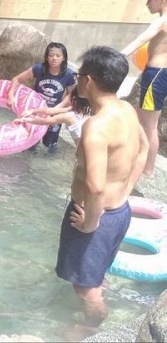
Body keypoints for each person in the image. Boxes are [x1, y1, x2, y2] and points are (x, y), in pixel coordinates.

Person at [55, 46, 148, 335]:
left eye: (78, 75)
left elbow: (95, 187)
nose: (77, 80)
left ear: (89, 80)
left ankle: (90, 328)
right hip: (119, 212)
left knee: (85, 289)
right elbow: (144, 148)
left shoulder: (96, 127)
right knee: (95, 275)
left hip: (95, 217)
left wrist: (90, 223)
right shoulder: (126, 110)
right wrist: (126, 189)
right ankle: (97, 295)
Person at [119, 0, 167, 177]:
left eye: (150, 0)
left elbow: (141, 40)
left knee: (149, 126)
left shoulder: (162, 20)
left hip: (156, 74)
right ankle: (137, 159)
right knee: (141, 118)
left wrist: (119, 55)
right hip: (157, 73)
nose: (147, 4)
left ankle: (148, 170)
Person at [7, 42, 76, 150]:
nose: (54, 58)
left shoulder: (68, 75)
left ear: (64, 58)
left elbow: (71, 95)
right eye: (51, 55)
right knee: (29, 144)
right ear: (46, 57)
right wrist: (10, 95)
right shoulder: (39, 69)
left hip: (54, 112)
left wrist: (57, 109)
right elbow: (16, 79)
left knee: (50, 146)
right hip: (35, 110)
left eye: (58, 55)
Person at [15, 94, 91, 145]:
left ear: (74, 100)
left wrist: (25, 120)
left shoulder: (69, 116)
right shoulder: (92, 112)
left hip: (85, 155)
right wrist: (33, 111)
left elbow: (44, 121)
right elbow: (51, 110)